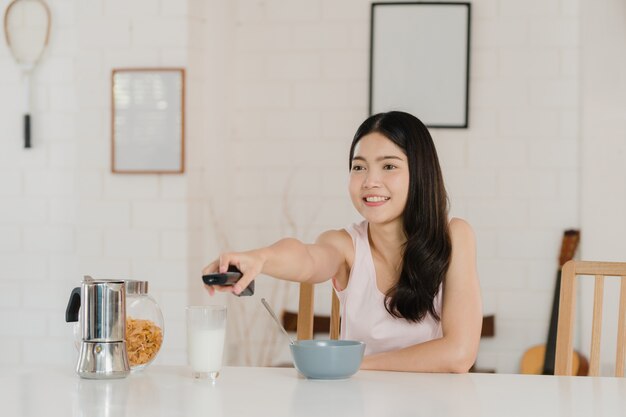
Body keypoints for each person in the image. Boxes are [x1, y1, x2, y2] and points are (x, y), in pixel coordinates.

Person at [203, 111, 482, 373]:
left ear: (420, 173)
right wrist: (260, 259)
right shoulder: (346, 245)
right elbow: (306, 259)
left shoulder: (454, 236)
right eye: (358, 167)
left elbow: (459, 353)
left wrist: (353, 365)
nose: (370, 181)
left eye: (388, 166)